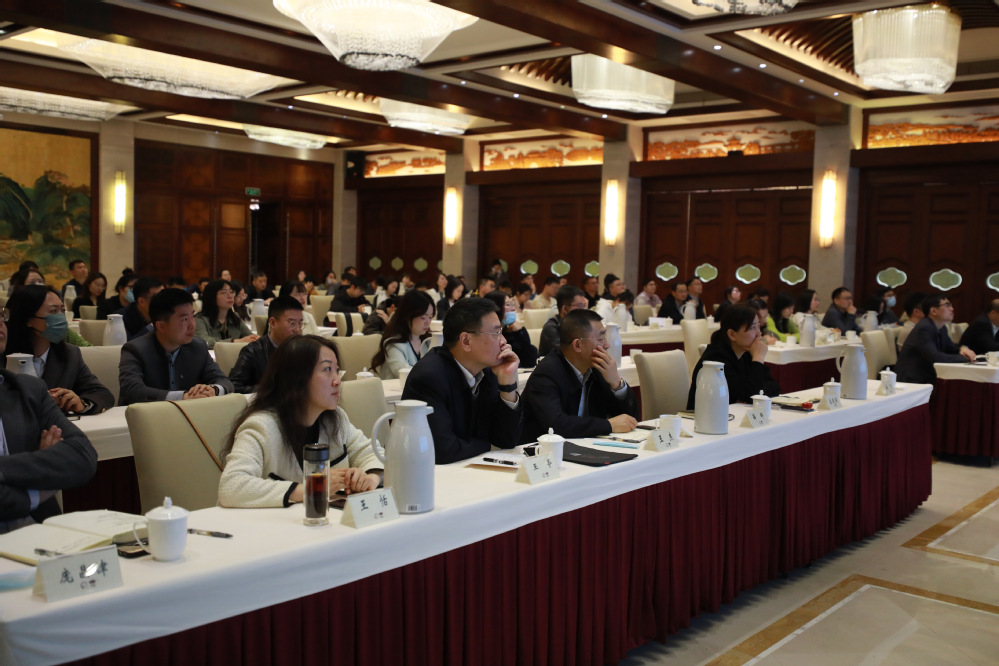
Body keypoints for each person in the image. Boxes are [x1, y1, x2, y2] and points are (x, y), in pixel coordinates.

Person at [219, 335, 382, 508]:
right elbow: (231, 486)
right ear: (297, 378)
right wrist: (313, 488)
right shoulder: (262, 426)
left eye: (337, 370)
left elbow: (374, 454)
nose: (337, 381)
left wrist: (370, 478)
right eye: (327, 369)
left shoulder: (335, 420)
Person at [0, 311, 98, 533]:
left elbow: (83, 455)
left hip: (39, 530)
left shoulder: (28, 389)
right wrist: (38, 484)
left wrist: (6, 469)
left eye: (0, 316)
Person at [401, 297, 523, 464]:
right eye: (496, 333)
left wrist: (508, 385)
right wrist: (490, 445)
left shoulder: (487, 371)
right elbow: (443, 450)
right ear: (466, 341)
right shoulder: (428, 377)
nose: (503, 341)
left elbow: (507, 440)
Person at [521, 309, 638, 443]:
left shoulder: (596, 369)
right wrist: (608, 425)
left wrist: (617, 383)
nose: (607, 345)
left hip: (586, 445)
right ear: (577, 345)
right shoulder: (546, 374)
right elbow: (556, 425)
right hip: (544, 451)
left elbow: (630, 419)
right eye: (601, 338)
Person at [5, 286, 113, 415]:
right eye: (53, 311)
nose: (60, 318)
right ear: (28, 319)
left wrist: (82, 403)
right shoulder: (4, 353)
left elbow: (101, 393)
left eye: (62, 311)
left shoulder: (70, 354)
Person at [118, 288, 234, 405]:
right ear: (161, 326)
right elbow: (132, 391)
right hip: (146, 414)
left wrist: (213, 390)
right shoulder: (134, 350)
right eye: (184, 319)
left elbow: (224, 381)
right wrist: (183, 396)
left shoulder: (198, 346)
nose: (192, 325)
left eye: (192, 316)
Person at [687, 304, 781, 409]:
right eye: (753, 328)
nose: (759, 334)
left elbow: (774, 387)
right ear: (732, 334)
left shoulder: (745, 353)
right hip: (706, 416)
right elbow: (751, 395)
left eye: (759, 326)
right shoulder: (716, 359)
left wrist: (753, 393)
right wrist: (758, 358)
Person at [229, 296, 304, 394]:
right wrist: (272, 389)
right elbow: (233, 386)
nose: (297, 330)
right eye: (292, 323)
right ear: (272, 323)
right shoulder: (253, 352)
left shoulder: (303, 350)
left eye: (300, 323)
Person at [895, 294, 975, 384]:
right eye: (947, 305)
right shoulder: (924, 328)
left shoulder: (941, 327)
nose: (952, 309)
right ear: (933, 311)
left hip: (927, 376)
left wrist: (963, 349)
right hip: (911, 380)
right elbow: (935, 357)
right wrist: (964, 358)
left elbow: (951, 348)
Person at [370, 291, 435, 379]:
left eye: (430, 317)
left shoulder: (429, 341)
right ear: (407, 316)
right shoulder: (393, 343)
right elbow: (404, 373)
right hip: (397, 387)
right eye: (423, 317)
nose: (428, 322)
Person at [485, 291, 538, 368]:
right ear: (496, 309)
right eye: (508, 305)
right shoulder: (487, 335)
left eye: (512, 304)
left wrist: (520, 332)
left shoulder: (514, 332)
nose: (513, 308)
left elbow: (530, 361)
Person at [539, 286, 589, 357]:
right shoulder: (551, 328)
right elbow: (565, 354)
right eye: (580, 306)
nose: (583, 311)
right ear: (565, 309)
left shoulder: (581, 326)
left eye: (584, 306)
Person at [119, 276, 164, 341]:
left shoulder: (167, 314)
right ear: (141, 301)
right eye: (157, 298)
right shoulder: (121, 319)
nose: (163, 301)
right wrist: (152, 326)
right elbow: (127, 344)